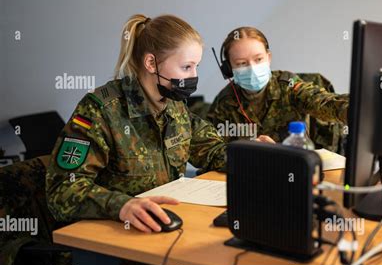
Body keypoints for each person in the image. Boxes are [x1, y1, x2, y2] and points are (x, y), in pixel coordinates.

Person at [46, 15, 271, 234]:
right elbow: (62, 191)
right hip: (114, 237)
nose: (194, 76)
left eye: (196, 67)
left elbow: (211, 151)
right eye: (186, 67)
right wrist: (121, 205)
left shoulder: (173, 104)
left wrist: (251, 153)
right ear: (151, 63)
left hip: (164, 226)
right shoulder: (100, 111)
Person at [207, 26, 348, 151]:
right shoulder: (224, 103)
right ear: (229, 69)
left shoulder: (288, 85)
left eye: (258, 59)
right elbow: (215, 151)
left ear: (268, 58)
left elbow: (323, 102)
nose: (252, 68)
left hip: (293, 169)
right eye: (242, 63)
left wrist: (353, 109)